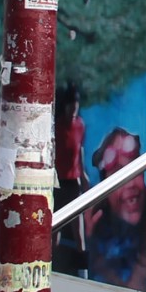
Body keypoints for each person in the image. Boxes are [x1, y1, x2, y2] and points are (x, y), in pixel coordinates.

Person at [85, 126, 146, 291]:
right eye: (119, 173)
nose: (131, 184)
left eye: (136, 169)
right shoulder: (95, 219)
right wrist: (90, 242)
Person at [53, 87, 89, 273]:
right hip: (59, 183)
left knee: (79, 230)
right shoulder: (58, 127)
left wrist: (83, 175)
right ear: (65, 106)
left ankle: (83, 272)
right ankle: (52, 267)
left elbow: (79, 151)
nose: (73, 109)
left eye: (76, 105)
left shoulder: (80, 125)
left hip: (74, 183)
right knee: (55, 230)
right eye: (71, 105)